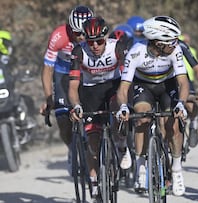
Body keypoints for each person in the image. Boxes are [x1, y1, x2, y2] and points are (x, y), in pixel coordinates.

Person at [116, 16, 189, 196]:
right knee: (141, 118)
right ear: (157, 42)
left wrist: (181, 103)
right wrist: (123, 106)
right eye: (171, 41)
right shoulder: (136, 52)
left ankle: (177, 169)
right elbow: (123, 88)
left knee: (173, 124)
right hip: (144, 86)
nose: (175, 43)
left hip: (167, 85)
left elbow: (184, 82)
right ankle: (141, 166)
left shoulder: (175, 50)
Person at [67, 16, 133, 200]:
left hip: (114, 86)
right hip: (90, 92)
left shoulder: (117, 47)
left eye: (99, 41)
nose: (95, 46)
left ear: (106, 38)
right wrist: (77, 106)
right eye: (91, 42)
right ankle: (94, 181)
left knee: (117, 110)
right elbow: (73, 87)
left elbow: (127, 79)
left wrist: (124, 106)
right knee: (92, 141)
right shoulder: (79, 51)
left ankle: (121, 146)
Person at [39, 5, 94, 176]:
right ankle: (72, 148)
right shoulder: (58, 36)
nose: (80, 37)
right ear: (70, 28)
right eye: (76, 33)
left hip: (85, 73)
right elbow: (47, 69)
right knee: (63, 119)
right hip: (63, 73)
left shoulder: (93, 34)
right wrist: (49, 97)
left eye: (83, 33)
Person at [178, 34, 198, 148]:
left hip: (185, 79)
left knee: (190, 104)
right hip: (167, 80)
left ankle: (193, 123)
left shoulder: (183, 46)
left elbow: (197, 69)